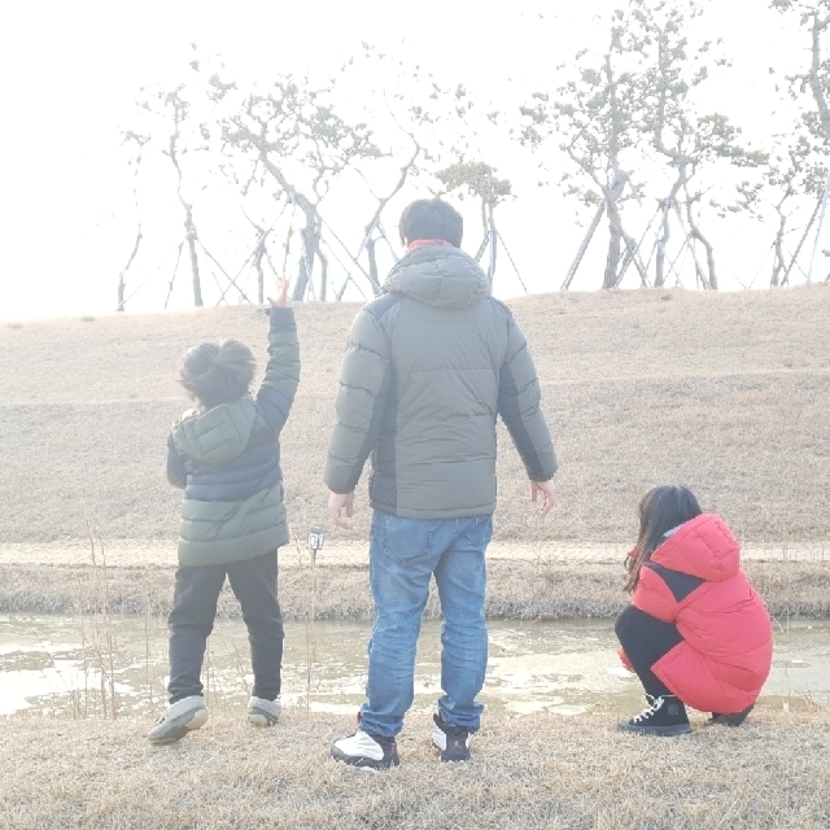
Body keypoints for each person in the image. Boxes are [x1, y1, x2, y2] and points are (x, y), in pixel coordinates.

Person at [324, 197, 557, 769]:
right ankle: (455, 733)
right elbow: (523, 402)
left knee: (397, 619)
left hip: (405, 503)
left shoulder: (381, 314)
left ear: (406, 240)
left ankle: (378, 738)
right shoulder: (497, 315)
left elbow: (358, 409)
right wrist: (541, 471)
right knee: (466, 618)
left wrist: (341, 482)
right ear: (457, 240)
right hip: (472, 503)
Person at [148, 278, 300, 745]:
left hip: (200, 543)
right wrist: (281, 315)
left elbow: (177, 477)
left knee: (188, 620)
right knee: (263, 616)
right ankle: (265, 701)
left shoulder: (181, 432)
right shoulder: (263, 418)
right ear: (244, 376)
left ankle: (185, 698)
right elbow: (286, 371)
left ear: (192, 386)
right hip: (255, 540)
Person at [615, 485, 773, 736]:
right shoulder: (714, 556)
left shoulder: (663, 569)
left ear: (651, 521)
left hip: (722, 687)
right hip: (746, 685)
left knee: (628, 622)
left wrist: (631, 659)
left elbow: (640, 630)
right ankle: (726, 708)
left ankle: (666, 713)